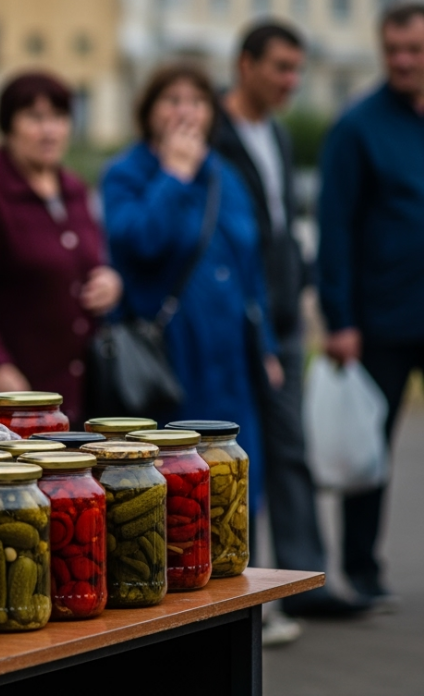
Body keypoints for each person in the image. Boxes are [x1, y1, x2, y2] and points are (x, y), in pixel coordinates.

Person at [214, 22, 368, 620]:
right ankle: (239, 587)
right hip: (237, 320)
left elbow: (278, 224)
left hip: (282, 313)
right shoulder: (215, 134)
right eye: (281, 67)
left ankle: (303, 580)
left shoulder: (274, 134)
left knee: (292, 447)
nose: (292, 82)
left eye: (297, 70)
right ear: (245, 64)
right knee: (236, 452)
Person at [102, 64, 282, 513]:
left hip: (233, 359)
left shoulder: (225, 176)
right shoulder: (126, 173)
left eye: (197, 101)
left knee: (236, 483)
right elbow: (140, 239)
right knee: (176, 491)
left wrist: (267, 347)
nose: (186, 112)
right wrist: (173, 175)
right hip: (170, 359)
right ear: (148, 111)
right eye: (173, 100)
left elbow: (250, 266)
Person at [318, 2, 424, 612]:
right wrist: (340, 320)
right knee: (369, 452)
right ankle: (362, 567)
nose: (403, 61)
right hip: (379, 321)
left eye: (415, 49)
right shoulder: (357, 127)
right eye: (394, 50)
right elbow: (336, 229)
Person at [0, 72, 122, 424]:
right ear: (7, 125)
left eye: (58, 118)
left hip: (75, 390)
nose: (49, 131)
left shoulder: (74, 188)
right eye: (35, 118)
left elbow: (88, 261)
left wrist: (110, 283)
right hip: (6, 395)